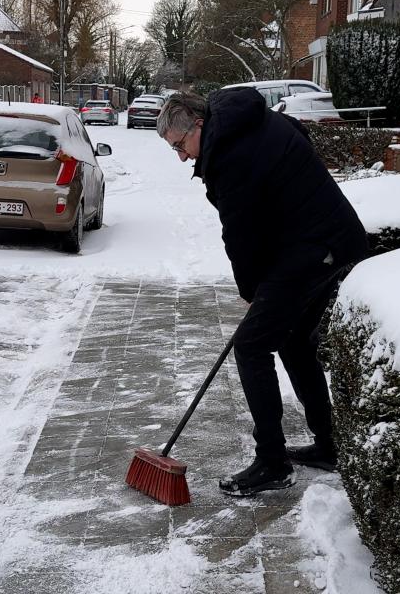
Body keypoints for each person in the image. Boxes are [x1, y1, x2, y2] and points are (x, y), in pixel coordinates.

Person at [157, 89, 370, 497]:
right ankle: (329, 444)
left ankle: (272, 462)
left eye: (180, 146)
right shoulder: (244, 120)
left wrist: (252, 289)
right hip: (323, 238)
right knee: (292, 339)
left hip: (316, 246)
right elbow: (295, 144)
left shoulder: (229, 156)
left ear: (199, 124)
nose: (182, 157)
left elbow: (241, 235)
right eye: (175, 150)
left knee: (252, 346)